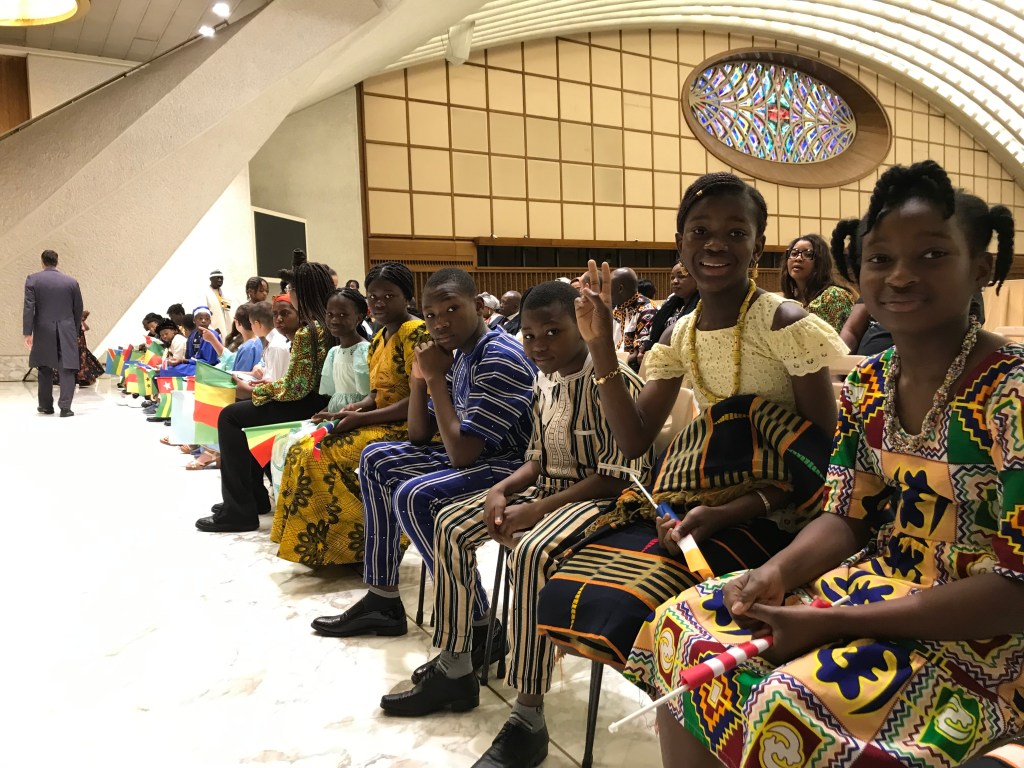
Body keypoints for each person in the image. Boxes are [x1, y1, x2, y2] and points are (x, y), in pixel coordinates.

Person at [627, 160, 1024, 768]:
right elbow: (845, 516)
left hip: (979, 634)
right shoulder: (870, 383)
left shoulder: (1010, 395)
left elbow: (1015, 590)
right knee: (687, 628)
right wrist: (778, 572)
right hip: (875, 583)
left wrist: (833, 622)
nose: (900, 276)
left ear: (983, 266)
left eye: (932, 255)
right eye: (880, 258)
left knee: (785, 704)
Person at [535, 172, 846, 672]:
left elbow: (824, 456)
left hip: (786, 516)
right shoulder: (681, 333)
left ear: (758, 247)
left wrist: (730, 512)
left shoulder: (783, 322)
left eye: (735, 232)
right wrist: (599, 348)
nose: (715, 244)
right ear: (680, 243)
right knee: (572, 581)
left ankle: (692, 708)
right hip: (707, 504)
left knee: (633, 606)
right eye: (699, 231)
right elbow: (635, 440)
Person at [379, 281, 654, 767]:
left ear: (582, 328)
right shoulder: (542, 380)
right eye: (529, 334)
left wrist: (538, 510)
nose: (539, 344)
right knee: (448, 524)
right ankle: (458, 663)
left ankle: (528, 717)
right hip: (547, 489)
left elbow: (616, 478)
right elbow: (536, 458)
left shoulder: (610, 380)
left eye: (553, 331)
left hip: (603, 500)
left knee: (529, 552)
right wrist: (502, 489)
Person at [310, 267, 536, 638]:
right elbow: (419, 434)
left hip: (514, 465)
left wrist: (433, 379)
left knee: (415, 495)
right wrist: (419, 380)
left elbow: (462, 454)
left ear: (478, 306)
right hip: (480, 454)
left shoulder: (497, 355)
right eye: (430, 315)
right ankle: (382, 597)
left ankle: (479, 621)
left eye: (451, 310)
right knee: (376, 457)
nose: (439, 324)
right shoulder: (456, 352)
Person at [272, 274, 420, 567]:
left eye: (388, 296)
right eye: (374, 296)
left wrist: (362, 418)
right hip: (381, 418)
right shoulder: (381, 335)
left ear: (407, 298)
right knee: (304, 446)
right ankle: (328, 546)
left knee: (321, 454)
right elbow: (377, 392)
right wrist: (353, 409)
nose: (379, 303)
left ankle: (356, 547)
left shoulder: (414, 332)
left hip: (408, 425)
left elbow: (419, 399)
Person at [195, 251, 334, 533]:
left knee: (231, 417)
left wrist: (255, 391)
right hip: (319, 400)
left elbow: (296, 387)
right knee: (237, 416)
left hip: (307, 404)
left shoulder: (309, 330)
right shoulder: (324, 324)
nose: (288, 293)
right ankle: (251, 498)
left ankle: (239, 510)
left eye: (291, 289)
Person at [24, 249, 84, 417]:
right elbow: (78, 308)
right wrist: (75, 328)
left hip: (43, 329)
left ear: (42, 262)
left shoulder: (33, 279)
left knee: (44, 366)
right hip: (67, 328)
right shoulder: (71, 282)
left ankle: (45, 405)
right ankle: (65, 407)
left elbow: (29, 307)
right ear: (57, 261)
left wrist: (27, 332)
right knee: (67, 367)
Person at [780, 233, 855, 333]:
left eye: (808, 254)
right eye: (793, 253)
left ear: (820, 262)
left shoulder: (834, 296)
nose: (798, 258)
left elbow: (836, 343)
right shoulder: (786, 301)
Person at [641, 261, 700, 357]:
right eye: (672, 277)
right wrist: (646, 346)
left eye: (681, 276)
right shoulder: (671, 301)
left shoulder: (703, 305)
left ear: (697, 279)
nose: (675, 281)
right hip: (659, 355)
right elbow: (655, 329)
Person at [611, 266, 657, 370]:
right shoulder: (617, 308)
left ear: (620, 288)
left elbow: (637, 355)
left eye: (608, 286)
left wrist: (612, 363)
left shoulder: (647, 309)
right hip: (616, 363)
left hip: (631, 369)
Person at [72, 310, 104, 387]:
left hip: (78, 343)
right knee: (80, 356)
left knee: (81, 357)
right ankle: (83, 378)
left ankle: (84, 378)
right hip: (76, 342)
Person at [205, 269, 231, 337]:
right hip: (214, 329)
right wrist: (211, 329)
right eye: (217, 278)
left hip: (227, 328)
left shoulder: (224, 294)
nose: (220, 280)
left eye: (221, 278)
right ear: (211, 279)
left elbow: (227, 311)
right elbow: (204, 314)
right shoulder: (206, 294)